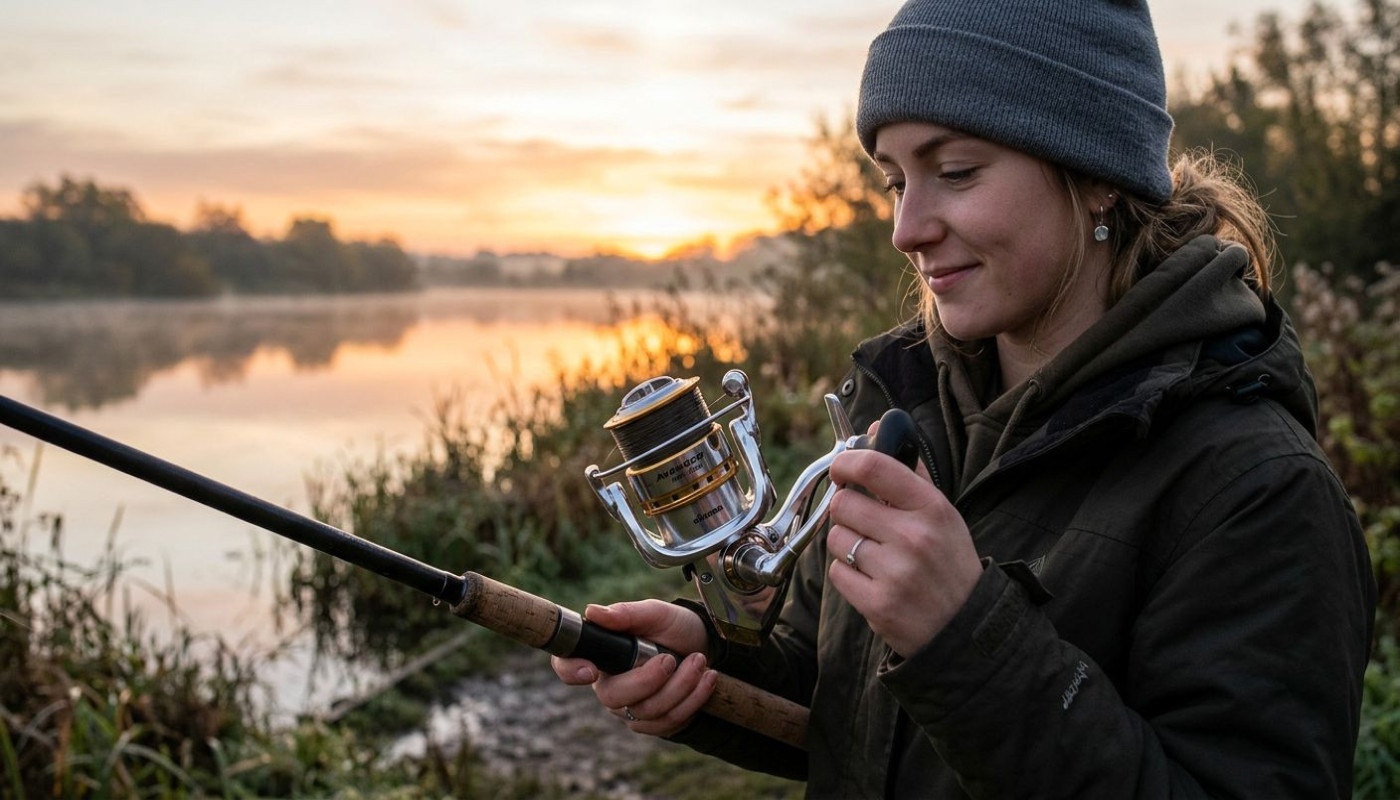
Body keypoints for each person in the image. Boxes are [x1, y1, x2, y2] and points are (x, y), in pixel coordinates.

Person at [553, 1, 1377, 796]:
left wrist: (966, 633)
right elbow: (844, 701)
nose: (906, 229)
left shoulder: (1261, 491)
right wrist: (707, 666)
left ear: (1097, 177)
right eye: (893, 182)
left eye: (954, 172)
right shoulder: (907, 416)